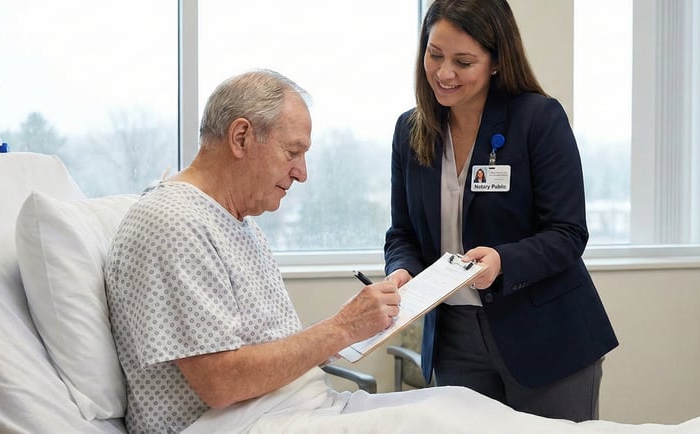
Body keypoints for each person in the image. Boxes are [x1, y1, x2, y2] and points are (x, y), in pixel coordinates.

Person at [105, 69, 648, 434]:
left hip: (290, 408)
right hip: (247, 420)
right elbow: (220, 381)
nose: (302, 171)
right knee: (458, 417)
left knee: (459, 412)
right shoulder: (173, 223)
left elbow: (567, 231)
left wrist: (347, 330)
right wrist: (342, 329)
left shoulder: (232, 223)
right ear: (242, 137)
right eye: (293, 152)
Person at [383, 0, 619, 422]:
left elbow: (568, 232)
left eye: (464, 61)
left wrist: (502, 261)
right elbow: (402, 233)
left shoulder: (537, 119)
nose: (444, 72)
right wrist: (402, 271)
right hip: (454, 340)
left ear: (495, 61)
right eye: (434, 54)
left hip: (546, 335)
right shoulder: (410, 131)